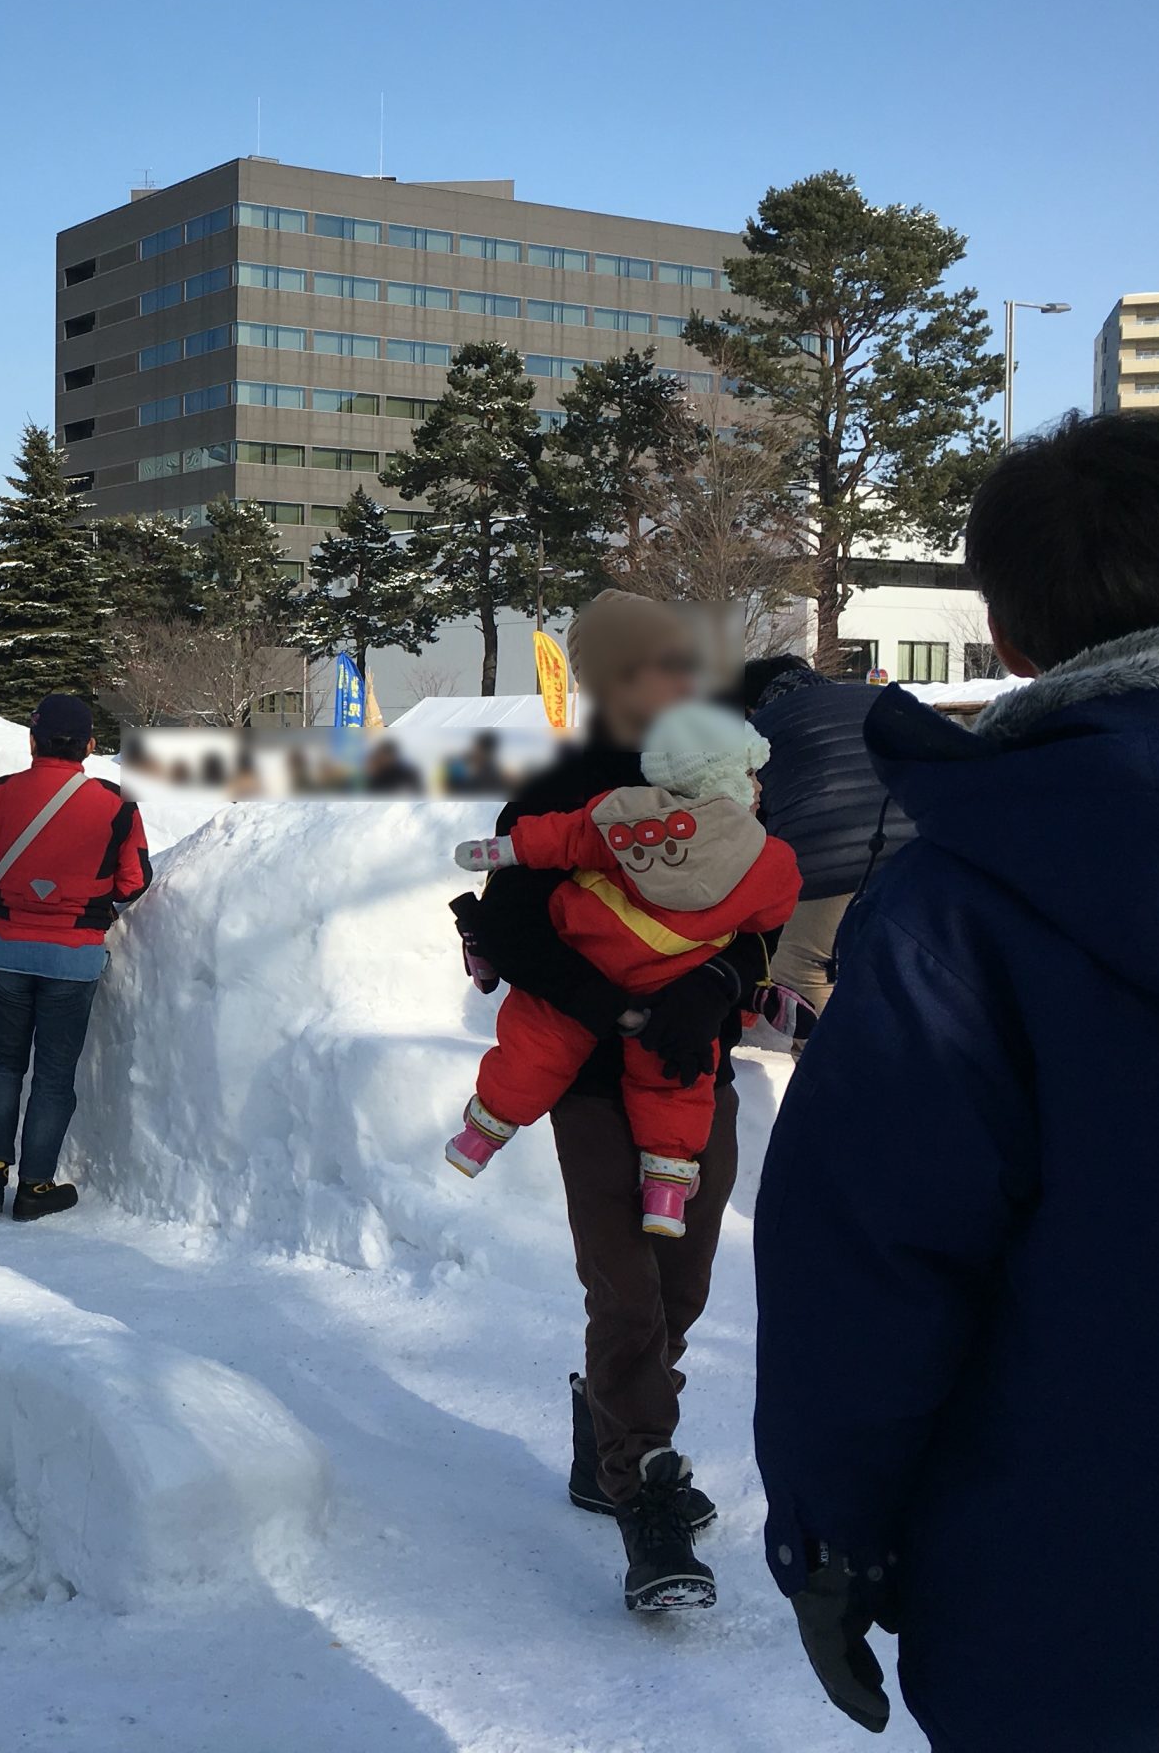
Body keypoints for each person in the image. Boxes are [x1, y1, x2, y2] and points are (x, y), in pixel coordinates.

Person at [753, 413, 1159, 1749]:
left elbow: (869, 1260)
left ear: (1008, 639)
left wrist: (832, 1538)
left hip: (1074, 1607)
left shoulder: (958, 909)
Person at [467, 589, 769, 1611]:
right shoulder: (556, 789)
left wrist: (715, 986)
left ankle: (608, 1420)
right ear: (609, 681)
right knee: (627, 1288)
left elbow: (761, 909)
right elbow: (513, 930)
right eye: (654, 667)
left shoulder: (719, 777)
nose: (677, 684)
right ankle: (643, 1482)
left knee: (680, 1286)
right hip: (595, 1084)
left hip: (698, 1073)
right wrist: (620, 1007)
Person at [450, 702, 799, 1238]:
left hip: (609, 954)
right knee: (672, 1082)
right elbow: (769, 912)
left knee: (536, 1041)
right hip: (628, 1028)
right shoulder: (755, 844)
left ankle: (485, 1130)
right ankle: (666, 1186)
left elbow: (564, 837)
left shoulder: (631, 808)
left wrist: (501, 850)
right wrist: (620, 1006)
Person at [0, 693, 151, 1220]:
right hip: (73, 956)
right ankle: (36, 1187)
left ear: (31, 740)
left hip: (7, 952)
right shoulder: (116, 805)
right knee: (53, 1073)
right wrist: (93, 904)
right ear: (90, 747)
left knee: (2, 1063)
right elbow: (135, 880)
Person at [737, 653, 922, 1026]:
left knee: (802, 979)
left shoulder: (758, 728)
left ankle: (831, 1071)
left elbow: (747, 818)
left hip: (830, 868)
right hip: (923, 857)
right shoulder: (877, 698)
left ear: (750, 703)